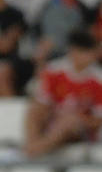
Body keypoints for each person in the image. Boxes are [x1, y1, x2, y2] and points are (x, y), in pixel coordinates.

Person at [23, 29, 102, 157]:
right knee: (34, 109)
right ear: (74, 51)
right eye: (85, 52)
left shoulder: (98, 79)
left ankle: (33, 151)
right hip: (54, 121)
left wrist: (79, 119)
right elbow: (42, 103)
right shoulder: (54, 71)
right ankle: (33, 145)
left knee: (70, 120)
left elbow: (98, 120)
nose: (90, 57)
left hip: (80, 129)